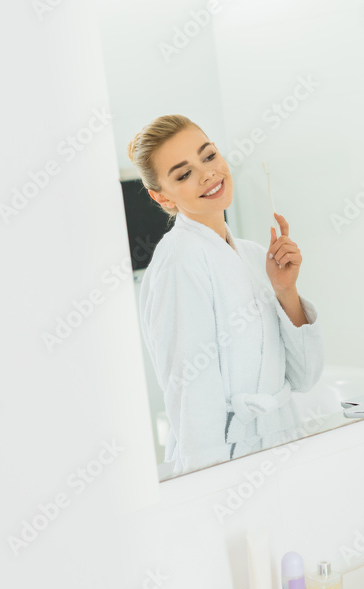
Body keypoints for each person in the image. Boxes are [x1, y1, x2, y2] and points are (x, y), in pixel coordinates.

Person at [127, 115, 324, 475]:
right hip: (226, 461)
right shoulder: (179, 261)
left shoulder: (251, 255)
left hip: (278, 442)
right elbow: (191, 392)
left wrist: (286, 291)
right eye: (183, 174)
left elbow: (305, 378)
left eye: (209, 156)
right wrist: (212, 487)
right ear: (161, 196)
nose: (207, 174)